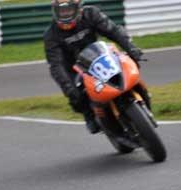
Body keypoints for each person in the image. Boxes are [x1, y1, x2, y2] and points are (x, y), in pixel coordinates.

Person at [44, 0, 143, 133]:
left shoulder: (91, 14)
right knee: (76, 97)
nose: (65, 14)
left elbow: (113, 31)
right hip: (74, 69)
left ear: (78, 8)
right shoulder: (51, 35)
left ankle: (140, 94)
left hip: (99, 57)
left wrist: (131, 49)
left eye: (68, 10)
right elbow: (55, 65)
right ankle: (90, 115)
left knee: (127, 64)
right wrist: (68, 87)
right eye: (61, 11)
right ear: (55, 11)